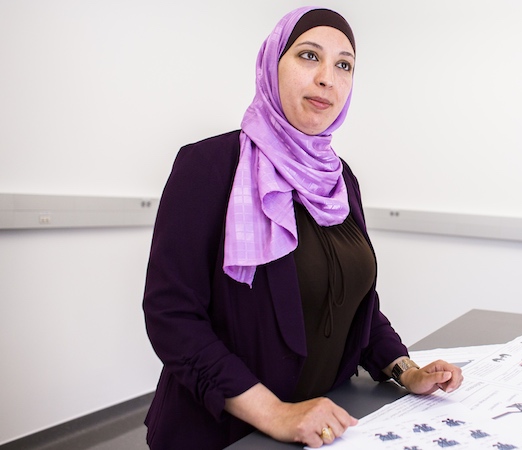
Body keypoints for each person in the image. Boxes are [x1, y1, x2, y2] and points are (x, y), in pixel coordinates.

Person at [142, 6, 463, 449]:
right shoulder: (210, 166)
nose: (328, 78)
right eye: (309, 56)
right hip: (222, 435)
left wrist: (406, 370)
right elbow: (172, 317)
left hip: (322, 427)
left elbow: (356, 306)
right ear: (271, 65)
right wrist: (275, 413)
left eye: (344, 65)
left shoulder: (339, 179)